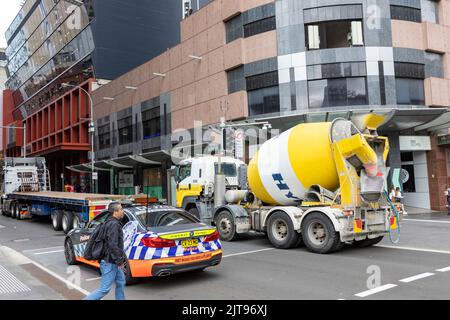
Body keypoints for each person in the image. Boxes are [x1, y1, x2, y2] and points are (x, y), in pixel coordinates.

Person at [84, 202, 127, 300]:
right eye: (121, 209)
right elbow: (113, 245)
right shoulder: (114, 224)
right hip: (109, 262)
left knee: (121, 281)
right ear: (115, 212)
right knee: (104, 289)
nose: (122, 211)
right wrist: (119, 261)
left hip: (112, 261)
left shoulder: (108, 222)